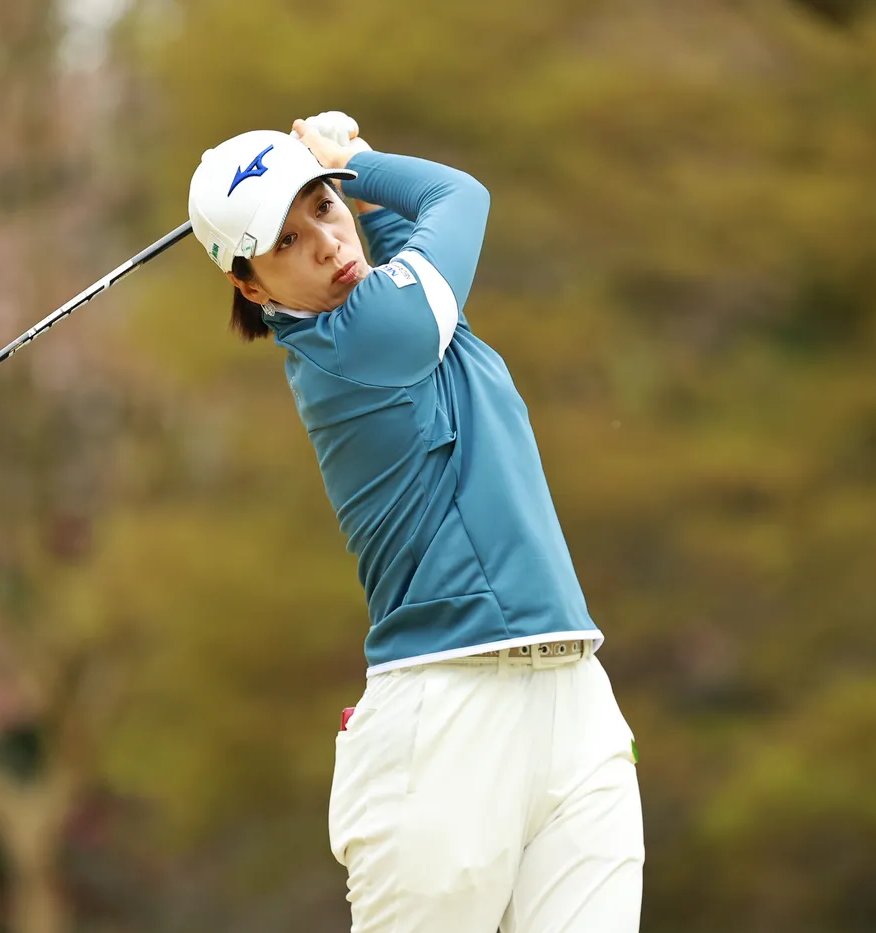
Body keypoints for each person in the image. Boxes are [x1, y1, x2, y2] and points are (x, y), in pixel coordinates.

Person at [187, 112, 644, 932]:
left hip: (574, 692)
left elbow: (406, 244)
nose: (326, 244)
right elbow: (458, 196)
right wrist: (355, 163)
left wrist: (351, 184)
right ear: (252, 288)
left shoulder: (400, 312)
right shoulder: (360, 341)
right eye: (286, 242)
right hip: (445, 717)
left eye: (324, 207)